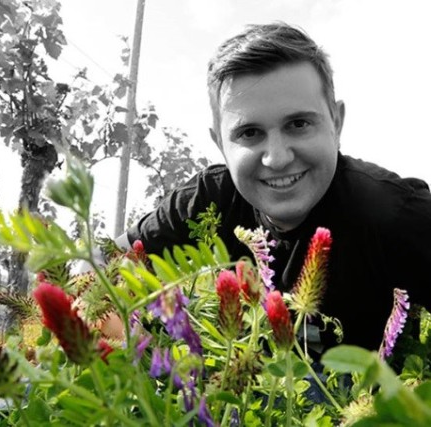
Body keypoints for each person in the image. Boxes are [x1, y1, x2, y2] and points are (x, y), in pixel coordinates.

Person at [115, 22, 431, 355]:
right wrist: (130, 344)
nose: (277, 158)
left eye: (299, 124)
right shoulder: (207, 202)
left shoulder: (394, 214)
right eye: (249, 133)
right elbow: (103, 261)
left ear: (336, 123)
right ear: (220, 144)